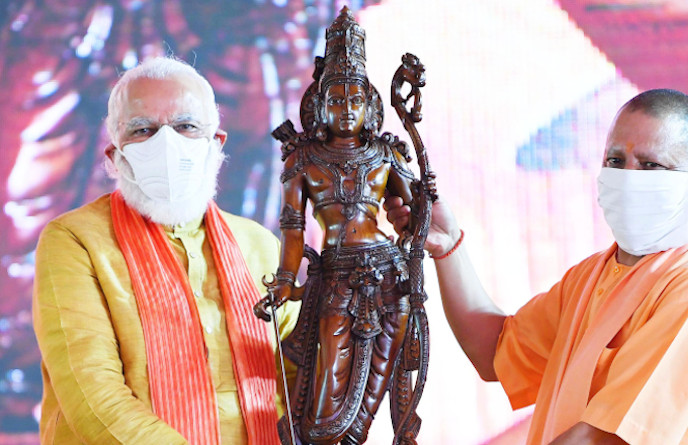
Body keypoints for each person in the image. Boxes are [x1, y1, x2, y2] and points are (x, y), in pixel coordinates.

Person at [385, 89, 688, 444]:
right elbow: (494, 354)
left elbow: (604, 436)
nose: (628, 178)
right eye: (616, 161)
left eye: (650, 166)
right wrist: (449, 246)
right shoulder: (591, 277)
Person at [32, 56, 298, 444]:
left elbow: (302, 377)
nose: (166, 143)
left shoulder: (258, 244)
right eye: (143, 129)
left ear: (216, 143)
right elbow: (93, 397)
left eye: (186, 126)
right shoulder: (74, 241)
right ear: (115, 155)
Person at [253, 7, 421, 444]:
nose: (346, 110)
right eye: (336, 100)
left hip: (390, 276)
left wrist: (420, 210)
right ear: (318, 106)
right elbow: (292, 230)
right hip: (335, 280)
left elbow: (419, 212)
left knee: (379, 383)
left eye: (355, 100)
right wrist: (285, 283)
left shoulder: (385, 155)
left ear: (369, 106)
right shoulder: (303, 160)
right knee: (328, 392)